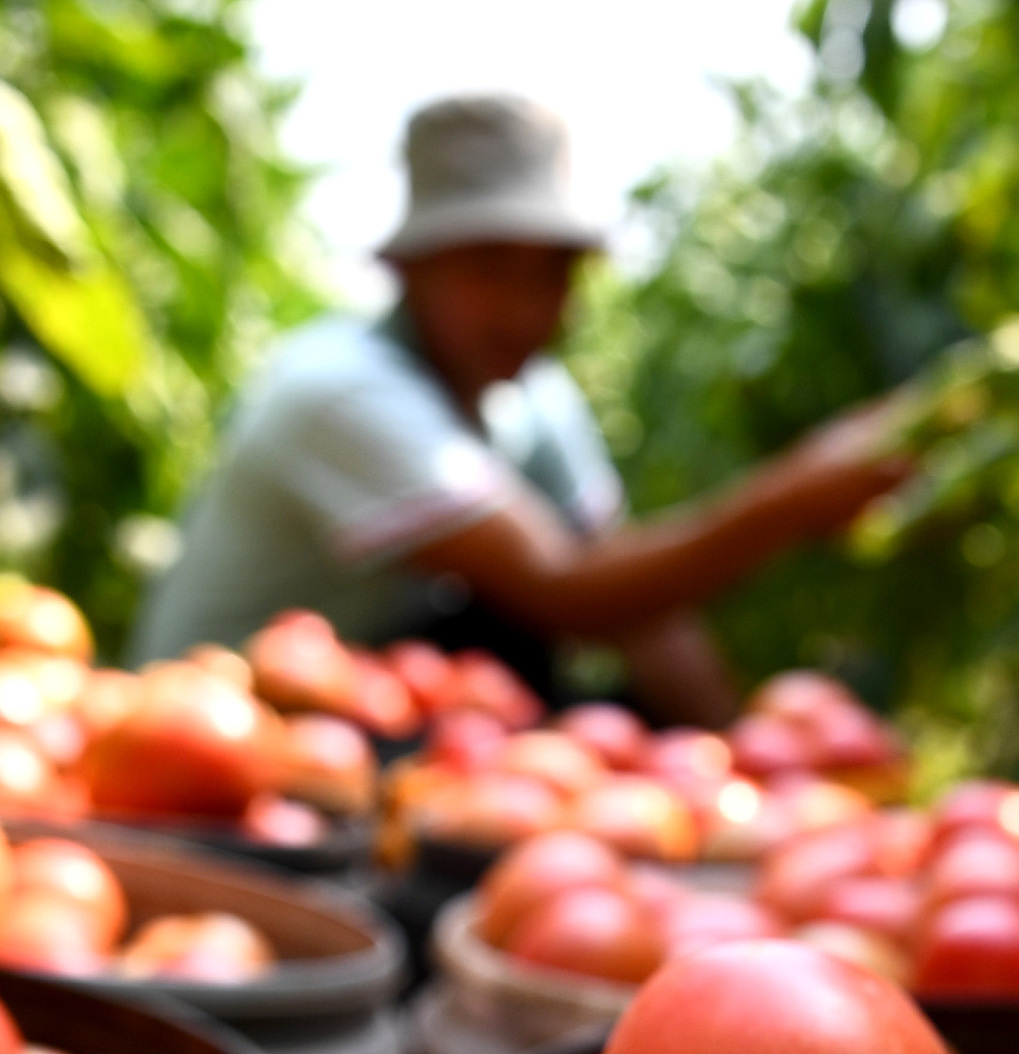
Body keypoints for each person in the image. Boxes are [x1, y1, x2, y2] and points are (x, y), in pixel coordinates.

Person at [131, 94, 912, 728]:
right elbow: (563, 585)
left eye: (553, 273)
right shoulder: (341, 390)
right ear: (413, 269)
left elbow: (636, 609)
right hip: (217, 735)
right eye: (489, 266)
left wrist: (745, 767)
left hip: (366, 718)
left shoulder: (530, 397)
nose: (526, 307)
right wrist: (794, 499)